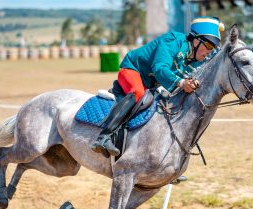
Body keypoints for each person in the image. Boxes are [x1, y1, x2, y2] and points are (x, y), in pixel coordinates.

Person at [91, 16, 225, 157]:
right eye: (209, 46)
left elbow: (193, 78)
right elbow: (160, 67)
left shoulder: (197, 60)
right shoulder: (172, 41)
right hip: (132, 69)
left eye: (214, 48)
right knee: (138, 93)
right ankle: (104, 137)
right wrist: (181, 83)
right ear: (197, 40)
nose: (210, 51)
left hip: (152, 84)